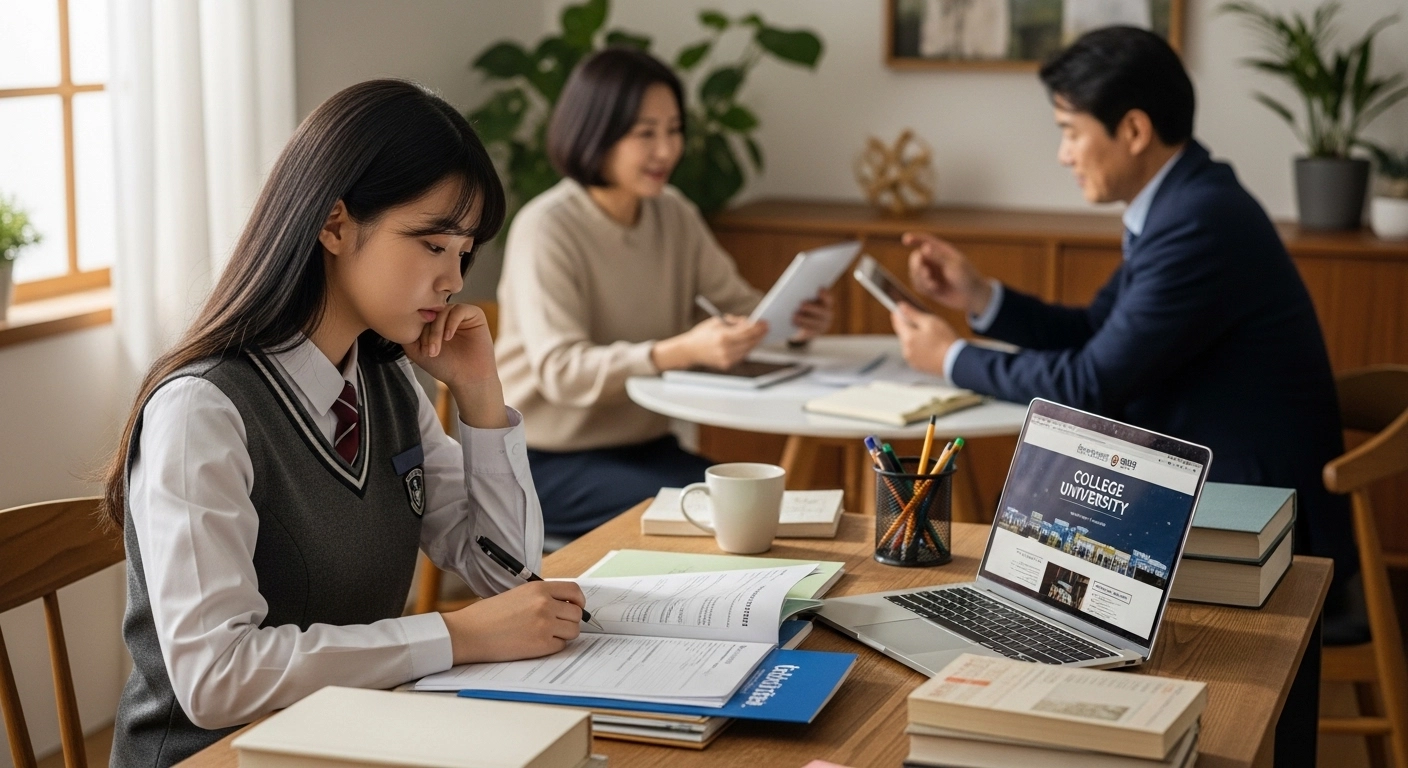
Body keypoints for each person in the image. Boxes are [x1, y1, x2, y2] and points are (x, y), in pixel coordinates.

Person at [104, 80, 587, 767]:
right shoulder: (202, 411)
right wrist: (454, 637)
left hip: (349, 741)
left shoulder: (384, 380)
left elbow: (508, 579)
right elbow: (216, 679)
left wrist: (481, 396)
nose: (454, 279)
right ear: (333, 225)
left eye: (464, 251)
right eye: (432, 244)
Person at [889, 27, 1361, 640]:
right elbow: (1094, 332)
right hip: (1218, 492)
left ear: (1133, 131)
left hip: (1260, 525)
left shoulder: (1197, 221)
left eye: (1069, 131)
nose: (1063, 155)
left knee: (1023, 562)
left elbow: (1091, 382)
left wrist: (950, 357)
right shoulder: (1182, 202)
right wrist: (980, 298)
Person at [495, 48, 833, 540]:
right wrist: (679, 351)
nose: (666, 150)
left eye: (673, 129)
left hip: (645, 448)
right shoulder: (547, 228)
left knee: (756, 507)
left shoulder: (673, 213)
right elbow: (561, 372)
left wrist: (792, 321)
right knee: (731, 517)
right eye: (645, 133)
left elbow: (740, 305)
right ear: (596, 131)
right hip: (541, 464)